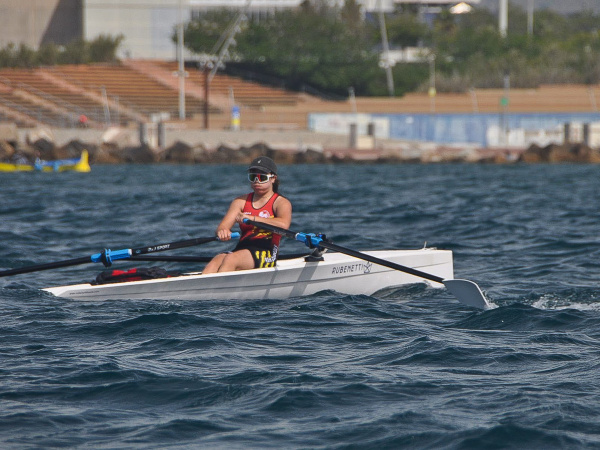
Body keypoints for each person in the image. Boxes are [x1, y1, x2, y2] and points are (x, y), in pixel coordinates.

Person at [203, 156, 292, 274]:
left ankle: (221, 284)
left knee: (231, 259)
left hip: (267, 252)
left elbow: (284, 225)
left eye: (262, 177)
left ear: (273, 179)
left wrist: (252, 218)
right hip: (242, 249)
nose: (256, 181)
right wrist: (223, 231)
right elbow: (223, 226)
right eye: (253, 177)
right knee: (216, 261)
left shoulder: (281, 203)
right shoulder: (240, 201)